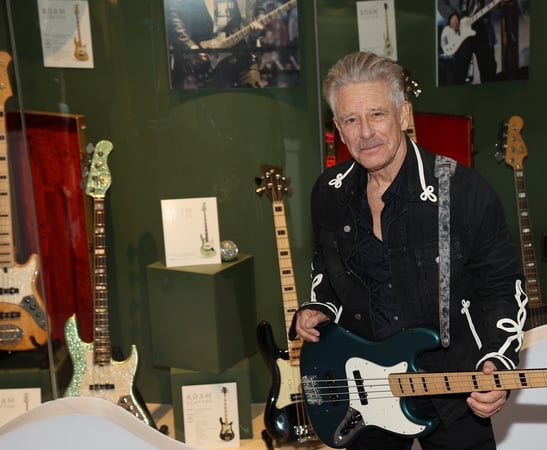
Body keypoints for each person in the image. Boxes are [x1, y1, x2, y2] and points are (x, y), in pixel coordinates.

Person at [290, 51, 528, 449]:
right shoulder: (328, 193)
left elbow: (502, 286)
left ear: (403, 115)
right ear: (339, 130)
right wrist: (321, 306)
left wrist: (497, 361)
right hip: (367, 392)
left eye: (377, 114)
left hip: (454, 388)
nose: (366, 132)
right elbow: (325, 265)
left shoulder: (463, 191)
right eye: (351, 120)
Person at [166, 0, 263, 89]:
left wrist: (259, 25)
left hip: (242, 53)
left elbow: (258, 9)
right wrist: (190, 45)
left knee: (254, 97)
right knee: (216, 99)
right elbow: (173, 15)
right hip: (207, 57)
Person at [437, 0, 501, 84]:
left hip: (482, 28)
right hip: (459, 31)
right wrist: (451, 15)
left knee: (488, 75)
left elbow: (493, 3)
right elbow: (441, 3)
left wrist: (502, 2)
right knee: (459, 76)